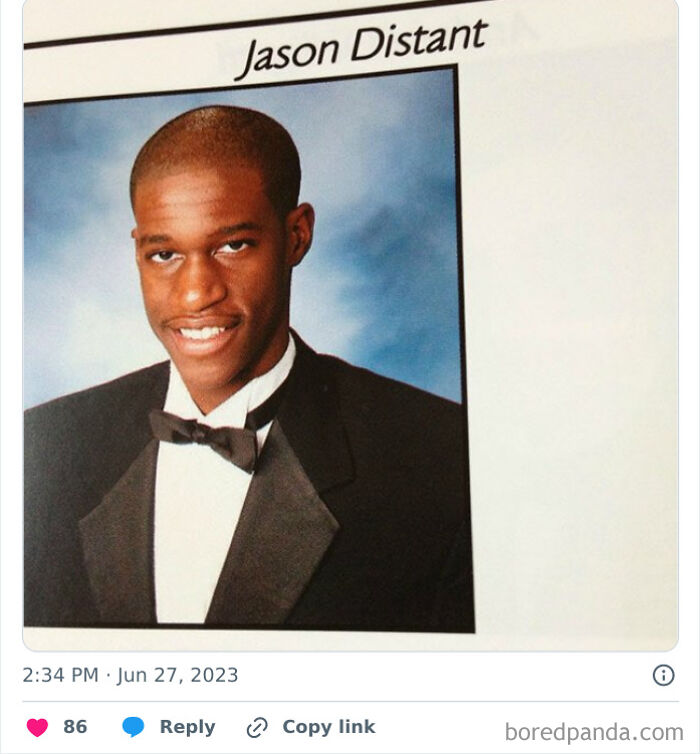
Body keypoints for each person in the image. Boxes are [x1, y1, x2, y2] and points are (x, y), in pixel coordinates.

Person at [24, 106, 474, 631]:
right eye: (164, 253)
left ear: (297, 235)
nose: (196, 292)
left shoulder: (442, 458)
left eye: (232, 245)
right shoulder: (39, 444)